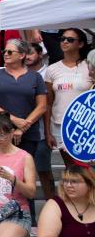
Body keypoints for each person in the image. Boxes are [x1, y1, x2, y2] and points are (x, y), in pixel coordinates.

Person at [0, 38, 47, 157]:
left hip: (28, 131)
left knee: (23, 170)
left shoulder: (36, 77)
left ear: (22, 55)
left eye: (10, 52)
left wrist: (22, 128)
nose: (6, 54)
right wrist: (13, 119)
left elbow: (42, 106)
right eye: (4, 51)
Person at [44, 29, 91, 165]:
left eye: (70, 39)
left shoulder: (89, 67)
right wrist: (48, 132)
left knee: (88, 169)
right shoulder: (52, 69)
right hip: (60, 125)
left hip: (85, 126)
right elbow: (48, 103)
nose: (65, 41)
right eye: (62, 38)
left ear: (80, 44)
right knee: (71, 168)